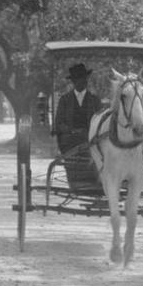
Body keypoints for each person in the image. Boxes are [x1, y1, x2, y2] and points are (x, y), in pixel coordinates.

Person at [51, 62, 101, 201]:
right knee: (73, 158)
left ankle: (95, 185)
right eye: (78, 79)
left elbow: (101, 121)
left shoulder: (95, 100)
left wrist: (89, 133)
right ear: (73, 82)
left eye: (84, 78)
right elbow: (58, 123)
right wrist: (71, 131)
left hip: (90, 139)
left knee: (96, 153)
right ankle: (75, 184)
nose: (82, 82)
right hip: (70, 140)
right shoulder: (65, 100)